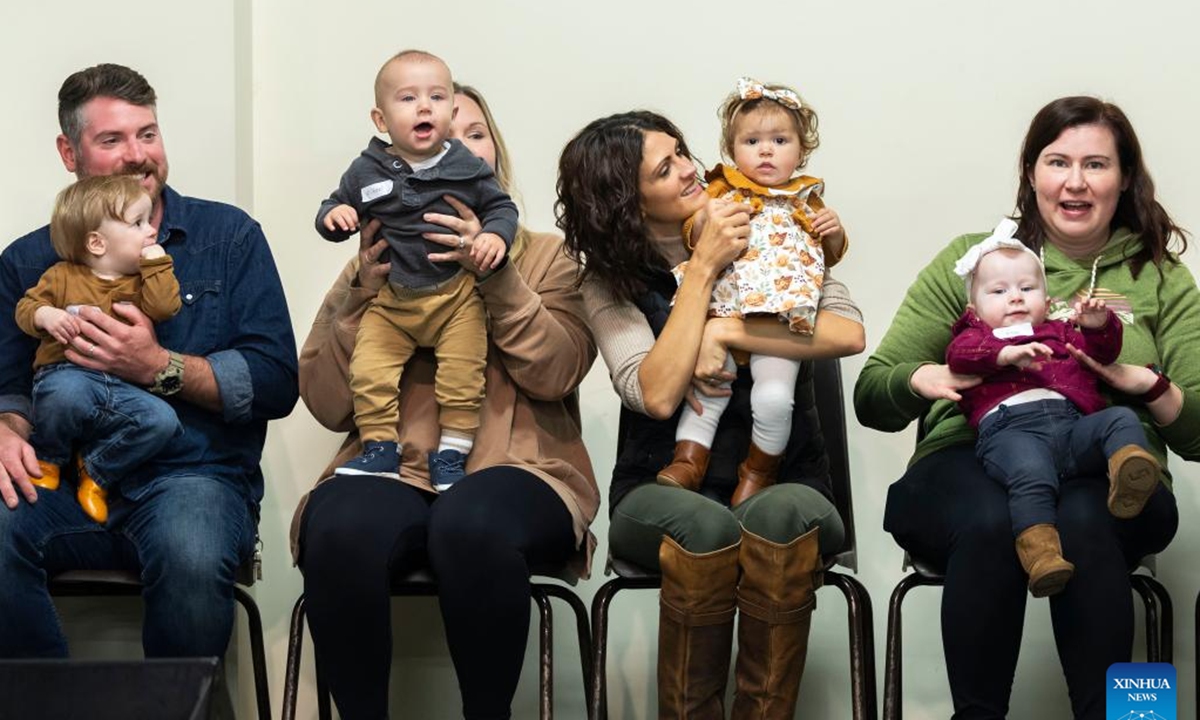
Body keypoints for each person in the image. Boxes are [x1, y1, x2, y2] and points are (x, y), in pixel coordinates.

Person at [854, 96, 1193, 719]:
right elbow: (873, 396)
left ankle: (1122, 715)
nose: (1074, 181)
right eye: (1057, 161)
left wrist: (1139, 381)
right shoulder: (975, 259)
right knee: (990, 519)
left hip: (1104, 467)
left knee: (1090, 520)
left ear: (1125, 178)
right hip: (969, 456)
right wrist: (930, 374)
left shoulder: (1162, 279)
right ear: (1031, 172)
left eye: (1096, 164)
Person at [293, 82, 598, 720]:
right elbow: (323, 402)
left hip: (519, 472)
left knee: (471, 525)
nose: (450, 143)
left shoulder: (548, 258)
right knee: (337, 528)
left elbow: (557, 373)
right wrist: (359, 301)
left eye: (472, 133)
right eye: (431, 129)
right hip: (397, 467)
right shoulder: (370, 262)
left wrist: (496, 274)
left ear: (493, 159)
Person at [557, 110, 864, 719]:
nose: (691, 170)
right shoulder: (608, 282)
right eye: (665, 168)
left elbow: (846, 332)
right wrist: (701, 272)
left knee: (772, 515)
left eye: (682, 153)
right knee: (708, 528)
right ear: (628, 200)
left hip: (789, 480)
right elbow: (656, 393)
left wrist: (724, 330)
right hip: (658, 487)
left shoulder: (777, 226)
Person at [0, 63, 298, 659]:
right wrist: (6, 431)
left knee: (189, 552)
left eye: (148, 134)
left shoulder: (229, 236)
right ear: (69, 151)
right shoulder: (31, 259)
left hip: (194, 475)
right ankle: (49, 706)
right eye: (112, 140)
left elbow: (274, 382)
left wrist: (158, 365)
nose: (139, 155)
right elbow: (10, 389)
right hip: (62, 479)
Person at [315, 50, 518, 490]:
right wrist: (336, 217)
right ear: (380, 119)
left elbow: (502, 206)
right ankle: (380, 450)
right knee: (370, 371)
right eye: (408, 98)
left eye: (438, 97)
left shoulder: (464, 166)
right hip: (394, 299)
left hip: (456, 297)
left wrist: (495, 238)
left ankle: (451, 455)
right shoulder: (367, 168)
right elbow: (335, 204)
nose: (425, 107)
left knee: (462, 376)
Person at [946, 218, 1162, 598]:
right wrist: (1004, 353)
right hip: (1012, 433)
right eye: (998, 291)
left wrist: (1098, 326)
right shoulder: (976, 336)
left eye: (1026, 288)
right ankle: (1042, 556)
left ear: (1046, 303)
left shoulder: (1060, 332)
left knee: (1120, 419)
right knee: (1031, 473)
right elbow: (959, 357)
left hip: (1071, 426)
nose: (1015, 297)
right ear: (974, 310)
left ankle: (1129, 470)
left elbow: (1102, 354)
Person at [659, 77, 850, 508]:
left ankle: (759, 471)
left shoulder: (809, 198)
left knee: (775, 397)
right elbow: (694, 234)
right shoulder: (722, 189)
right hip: (724, 309)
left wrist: (832, 232)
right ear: (732, 150)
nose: (766, 150)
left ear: (801, 150)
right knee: (708, 384)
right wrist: (709, 219)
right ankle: (688, 459)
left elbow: (829, 257)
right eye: (752, 141)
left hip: (780, 321)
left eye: (780, 140)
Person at [17, 175, 183, 524]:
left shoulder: (142, 281)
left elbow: (166, 307)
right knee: (64, 394)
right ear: (96, 242)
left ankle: (95, 474)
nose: (152, 231)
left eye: (148, 221)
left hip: (121, 387)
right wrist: (46, 315)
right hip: (66, 374)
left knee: (163, 421)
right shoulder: (61, 275)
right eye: (138, 223)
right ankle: (49, 459)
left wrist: (157, 263)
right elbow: (25, 309)